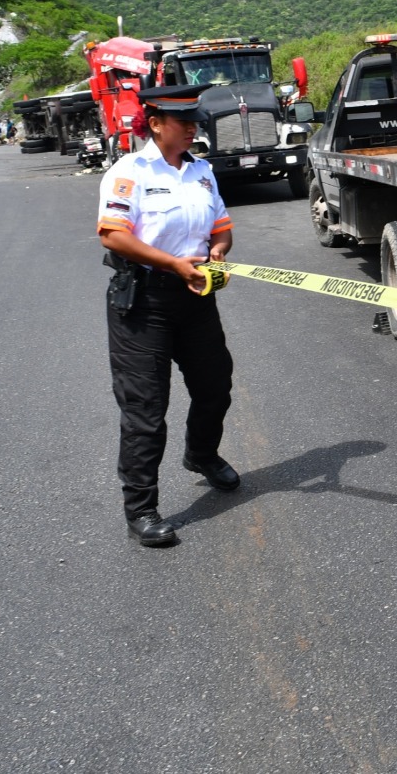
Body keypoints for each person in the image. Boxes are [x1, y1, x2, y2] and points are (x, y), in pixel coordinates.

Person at [97, 83, 240, 547]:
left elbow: (219, 227)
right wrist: (173, 264)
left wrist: (216, 252)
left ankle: (201, 454)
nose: (194, 126)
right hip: (144, 302)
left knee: (215, 385)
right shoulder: (129, 172)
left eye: (195, 119)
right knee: (145, 409)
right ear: (156, 124)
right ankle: (141, 508)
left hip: (195, 297)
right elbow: (113, 235)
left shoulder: (201, 171)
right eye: (184, 121)